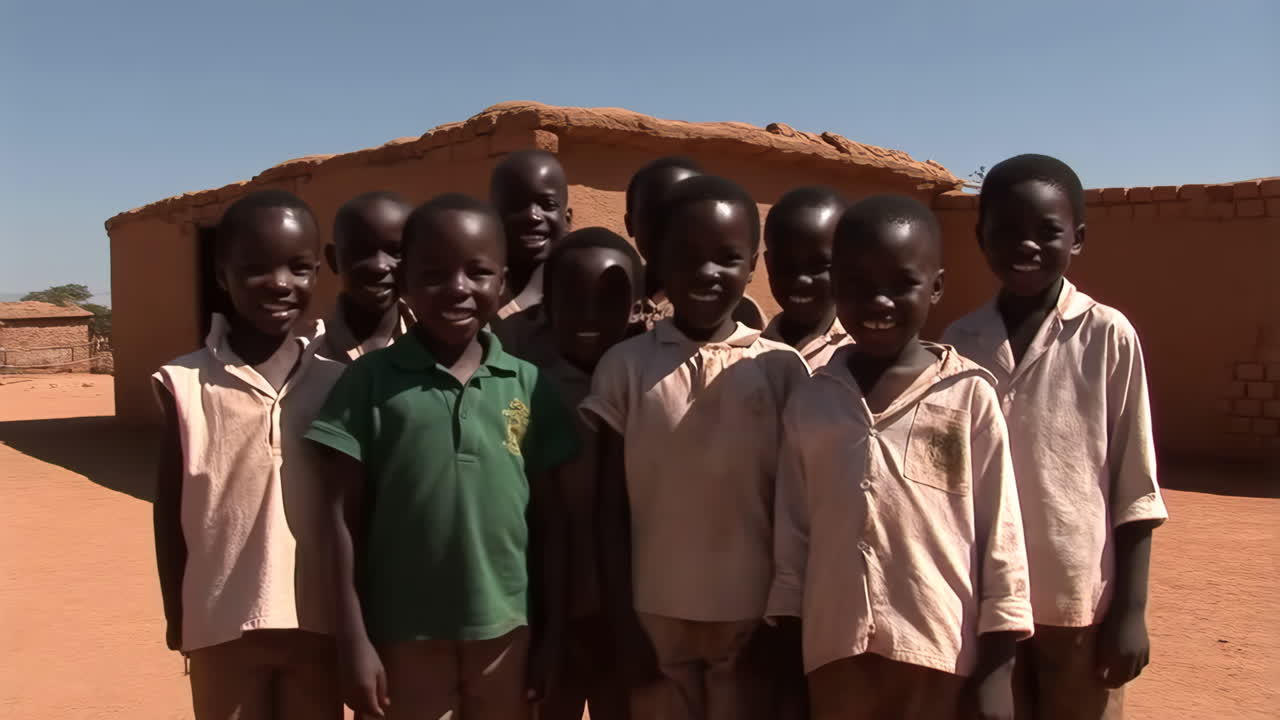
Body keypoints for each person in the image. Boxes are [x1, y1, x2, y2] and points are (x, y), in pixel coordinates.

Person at [305, 194, 579, 720]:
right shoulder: (369, 382)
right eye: (434, 274)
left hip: (507, 634)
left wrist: (550, 638)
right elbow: (341, 520)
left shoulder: (528, 385)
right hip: (402, 635)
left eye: (478, 272)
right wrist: (354, 640)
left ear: (502, 281)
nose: (458, 288)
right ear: (405, 282)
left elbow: (551, 524)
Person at [768, 194, 1033, 720]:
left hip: (937, 648)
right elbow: (792, 534)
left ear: (935, 286)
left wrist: (999, 668)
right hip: (833, 651)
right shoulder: (813, 398)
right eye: (858, 284)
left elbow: (1001, 538)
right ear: (835, 286)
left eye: (901, 284)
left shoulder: (966, 395)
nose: (879, 302)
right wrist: (785, 651)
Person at [943, 154, 1168, 720]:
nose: (1026, 247)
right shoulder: (958, 342)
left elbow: (1135, 487)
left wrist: (1130, 611)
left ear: (1079, 239)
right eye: (1006, 232)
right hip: (984, 604)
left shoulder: (1107, 336)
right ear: (980, 238)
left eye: (1047, 233)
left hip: (1077, 601)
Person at [583, 175, 810, 720]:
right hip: (654, 618)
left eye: (727, 258)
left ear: (753, 265)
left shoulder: (780, 368)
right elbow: (608, 506)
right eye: (687, 256)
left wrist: (785, 617)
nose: (707, 273)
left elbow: (798, 507)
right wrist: (621, 619)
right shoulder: (627, 367)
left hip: (753, 619)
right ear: (658, 259)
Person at [152, 189, 345, 720]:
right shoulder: (185, 382)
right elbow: (169, 511)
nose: (281, 283)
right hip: (221, 624)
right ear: (221, 275)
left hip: (319, 621)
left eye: (299, 267)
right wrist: (179, 613)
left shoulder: (339, 383)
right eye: (256, 268)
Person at [497, 226, 644, 720]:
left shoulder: (649, 383)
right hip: (543, 609)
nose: (587, 316)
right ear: (546, 306)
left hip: (634, 612)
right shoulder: (526, 389)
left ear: (637, 306)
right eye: (571, 299)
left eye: (607, 300)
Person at [624, 156, 765, 331]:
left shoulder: (736, 309)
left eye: (689, 218)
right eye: (657, 217)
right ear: (630, 225)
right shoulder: (617, 300)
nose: (670, 229)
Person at [762, 186, 853, 371]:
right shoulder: (743, 356)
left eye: (820, 265)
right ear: (769, 265)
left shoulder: (862, 358)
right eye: (787, 265)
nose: (802, 279)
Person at [321, 191, 414, 362]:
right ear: (333, 259)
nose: (379, 266)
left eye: (397, 251)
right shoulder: (310, 354)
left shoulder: (439, 345)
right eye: (361, 251)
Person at [490, 149, 573, 320]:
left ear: (567, 220)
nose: (532, 216)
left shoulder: (582, 292)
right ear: (493, 217)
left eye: (548, 205)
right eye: (516, 205)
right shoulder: (475, 291)